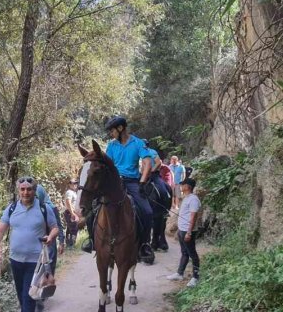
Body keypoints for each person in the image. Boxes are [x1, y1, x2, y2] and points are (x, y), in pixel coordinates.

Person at [0, 176, 59, 312]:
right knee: (22, 297)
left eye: (29, 189)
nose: (25, 192)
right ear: (18, 191)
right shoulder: (12, 208)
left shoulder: (43, 208)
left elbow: (55, 227)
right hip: (15, 260)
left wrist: (51, 237)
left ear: (34, 190)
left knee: (28, 297)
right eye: (22, 189)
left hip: (35, 261)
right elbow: (1, 228)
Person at [83, 115, 154, 260]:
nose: (111, 133)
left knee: (147, 211)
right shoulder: (111, 146)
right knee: (94, 207)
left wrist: (142, 181)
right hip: (115, 183)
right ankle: (92, 240)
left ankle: (144, 244)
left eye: (112, 130)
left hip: (133, 182)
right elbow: (108, 165)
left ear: (120, 128)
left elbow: (147, 163)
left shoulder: (138, 143)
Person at [35, 184, 65, 312]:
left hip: (50, 242)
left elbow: (58, 225)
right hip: (36, 243)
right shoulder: (30, 209)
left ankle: (41, 296)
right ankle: (38, 299)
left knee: (47, 268)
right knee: (37, 271)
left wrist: (62, 241)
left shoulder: (51, 208)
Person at [167, 178, 201, 287]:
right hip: (182, 230)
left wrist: (189, 232)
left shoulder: (194, 199)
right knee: (184, 253)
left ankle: (196, 277)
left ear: (188, 187)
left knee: (192, 254)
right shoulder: (186, 198)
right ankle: (179, 273)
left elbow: (193, 216)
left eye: (183, 184)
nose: (181, 186)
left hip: (188, 231)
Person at [62, 180, 80, 248]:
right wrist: (72, 213)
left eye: (76, 183)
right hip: (70, 213)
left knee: (70, 229)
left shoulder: (74, 192)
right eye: (73, 183)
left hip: (72, 213)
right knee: (74, 228)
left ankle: (69, 244)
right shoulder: (69, 192)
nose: (75, 184)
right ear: (69, 184)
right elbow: (68, 202)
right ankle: (71, 246)